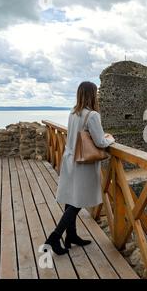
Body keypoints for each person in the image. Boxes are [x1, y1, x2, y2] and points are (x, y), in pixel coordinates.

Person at [44, 81, 115, 255]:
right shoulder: (92, 115)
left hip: (70, 159)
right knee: (78, 202)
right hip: (83, 164)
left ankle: (72, 235)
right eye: (96, 93)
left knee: (71, 199)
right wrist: (110, 139)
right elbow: (100, 142)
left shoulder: (73, 112)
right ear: (92, 94)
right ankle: (54, 237)